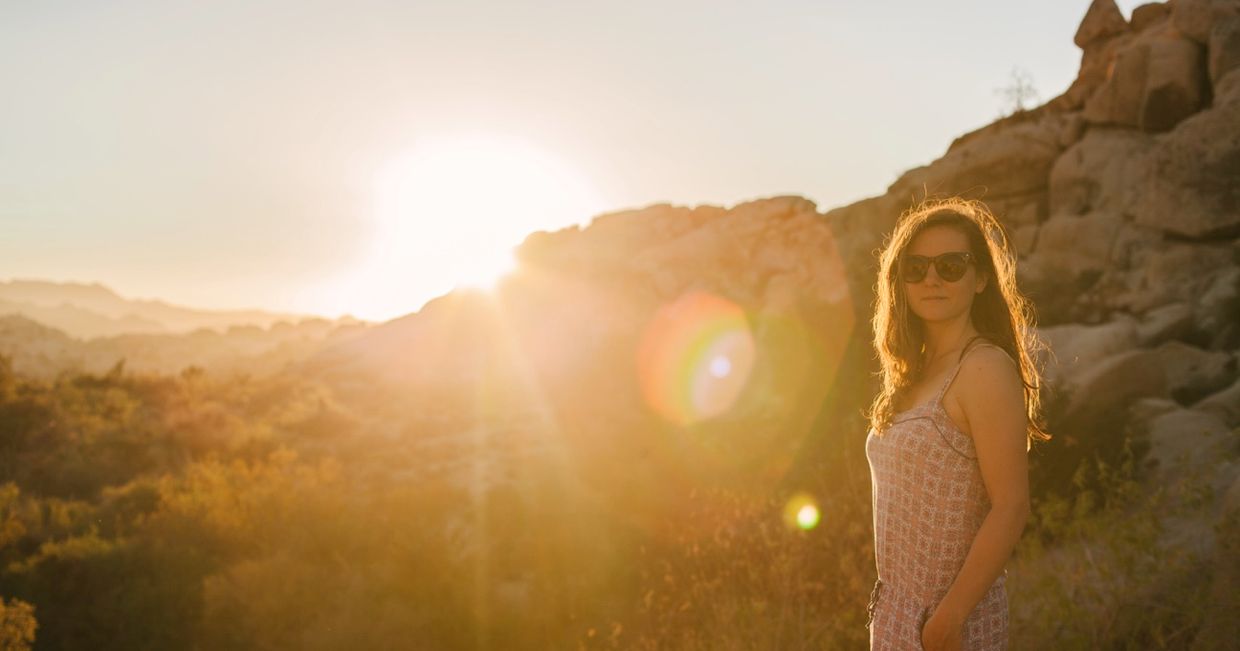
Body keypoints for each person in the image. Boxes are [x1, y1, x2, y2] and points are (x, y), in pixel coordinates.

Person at [863, 198, 1049, 651]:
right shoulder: (913, 373)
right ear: (900, 281)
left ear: (981, 277)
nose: (931, 278)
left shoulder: (984, 367)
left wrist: (949, 619)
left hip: (951, 623)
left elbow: (1011, 506)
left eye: (951, 265)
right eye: (916, 267)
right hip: (897, 614)